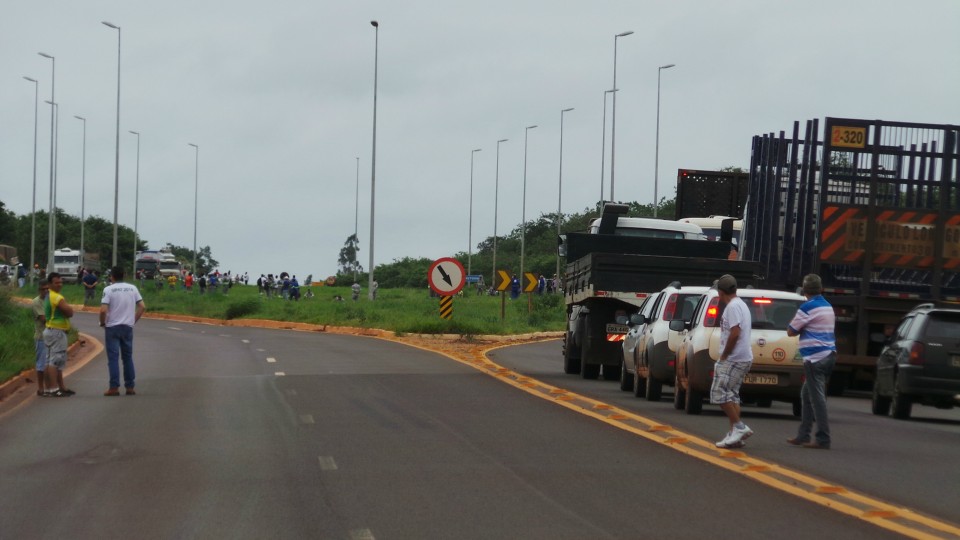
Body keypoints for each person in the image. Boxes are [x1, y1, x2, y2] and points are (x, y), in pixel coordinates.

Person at [786, 274, 837, 450]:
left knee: (817, 399)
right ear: (820, 288)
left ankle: (823, 438)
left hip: (815, 358)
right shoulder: (827, 306)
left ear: (805, 290)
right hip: (828, 355)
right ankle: (803, 435)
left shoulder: (808, 307)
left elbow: (791, 331)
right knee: (806, 395)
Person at [711, 274, 753, 449]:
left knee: (718, 393)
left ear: (721, 292)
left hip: (734, 357)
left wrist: (724, 356)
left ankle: (739, 427)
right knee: (732, 395)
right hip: (743, 357)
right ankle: (736, 436)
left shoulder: (732, 307)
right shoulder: (741, 304)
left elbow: (735, 332)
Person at [99, 266, 146, 396]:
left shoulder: (108, 289)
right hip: (127, 327)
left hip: (112, 327)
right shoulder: (133, 288)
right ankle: (130, 386)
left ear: (111, 276)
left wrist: (103, 322)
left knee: (113, 358)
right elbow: (142, 306)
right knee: (127, 357)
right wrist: (133, 320)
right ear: (124, 275)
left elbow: (103, 310)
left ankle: (114, 387)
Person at [42, 272, 75, 397]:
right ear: (50, 284)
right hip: (57, 332)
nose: (60, 284)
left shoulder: (48, 296)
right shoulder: (56, 297)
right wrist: (69, 309)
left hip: (50, 330)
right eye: (56, 282)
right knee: (55, 361)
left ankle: (50, 388)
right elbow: (69, 312)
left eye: (61, 282)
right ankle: (54, 389)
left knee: (49, 360)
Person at [31, 279, 50, 395]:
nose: (46, 291)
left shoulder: (50, 300)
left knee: (52, 363)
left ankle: (50, 386)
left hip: (52, 336)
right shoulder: (36, 302)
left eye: (48, 289)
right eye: (44, 289)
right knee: (41, 364)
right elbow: (44, 320)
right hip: (41, 337)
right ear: (39, 290)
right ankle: (40, 387)